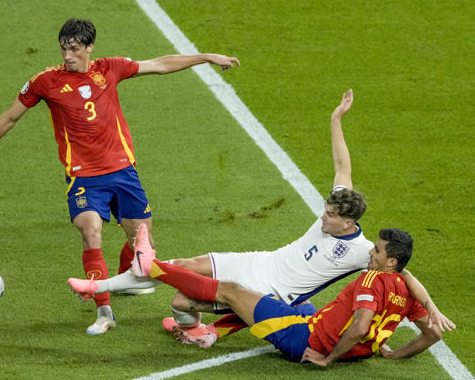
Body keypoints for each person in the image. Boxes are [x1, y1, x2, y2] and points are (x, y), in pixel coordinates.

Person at [65, 89, 454, 344]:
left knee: (182, 302)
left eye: (331, 217)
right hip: (261, 260)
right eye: (326, 209)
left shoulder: (362, 251)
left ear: (349, 225)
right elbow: (341, 165)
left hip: (271, 291)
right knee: (184, 264)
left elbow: (404, 273)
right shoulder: (340, 203)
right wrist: (337, 118)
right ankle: (130, 294)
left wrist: (432, 308)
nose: (324, 217)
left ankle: (189, 328)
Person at [0, 18, 240, 335]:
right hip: (84, 178)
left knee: (144, 247)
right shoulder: (46, 81)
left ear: (89, 47)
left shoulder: (110, 68)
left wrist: (205, 57)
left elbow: (160, 65)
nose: (68, 56)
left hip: (123, 172)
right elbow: (10, 117)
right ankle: (104, 311)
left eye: (75, 49)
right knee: (91, 231)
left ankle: (128, 278)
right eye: (64, 48)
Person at [70, 224, 448, 365]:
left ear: (390, 260)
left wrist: (328, 358)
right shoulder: (405, 290)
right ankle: (212, 331)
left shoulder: (371, 280)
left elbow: (362, 321)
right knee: (300, 302)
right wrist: (392, 353)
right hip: (320, 327)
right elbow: (431, 333)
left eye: (378, 252)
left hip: (306, 340)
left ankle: (150, 267)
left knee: (234, 291)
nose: (371, 253)